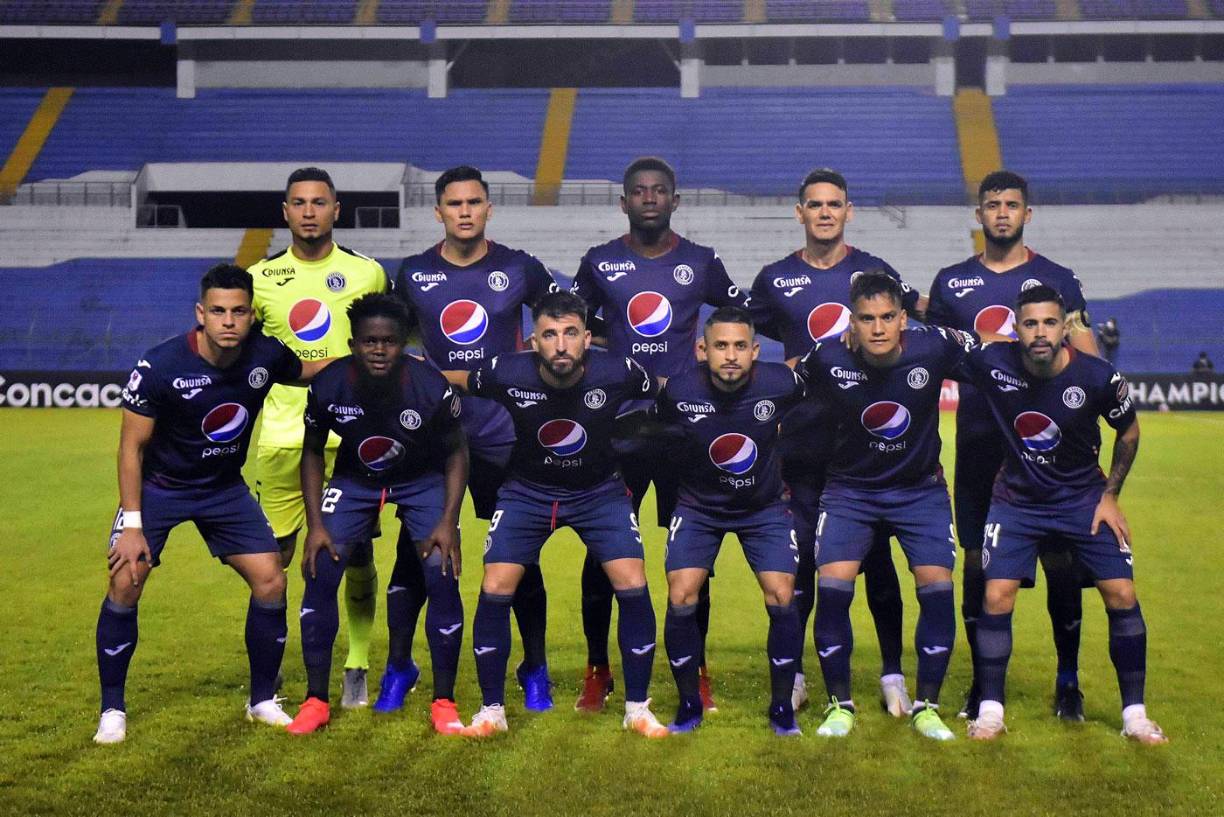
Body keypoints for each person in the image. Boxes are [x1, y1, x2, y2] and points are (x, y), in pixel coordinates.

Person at [94, 264, 326, 744]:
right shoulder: (160, 366)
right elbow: (131, 448)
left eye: (238, 311)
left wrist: (365, 359)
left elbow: (305, 371)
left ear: (251, 314)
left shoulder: (265, 354)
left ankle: (262, 699)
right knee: (125, 579)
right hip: (160, 488)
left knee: (270, 579)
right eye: (217, 311)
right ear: (200, 313)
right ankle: (112, 709)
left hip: (223, 488)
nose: (228, 321)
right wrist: (133, 524)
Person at [443, 291, 668, 738]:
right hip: (527, 492)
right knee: (495, 584)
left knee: (632, 579)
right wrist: (412, 374)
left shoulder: (619, 371)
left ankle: (637, 708)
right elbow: (455, 378)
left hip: (600, 492)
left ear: (587, 338)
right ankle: (492, 712)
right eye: (549, 334)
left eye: (570, 334)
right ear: (533, 341)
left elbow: (664, 390)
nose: (560, 345)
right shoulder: (505, 371)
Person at [570, 156, 751, 712]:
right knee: (604, 552)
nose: (649, 198)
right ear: (624, 203)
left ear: (675, 201)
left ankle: (694, 669)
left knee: (692, 555)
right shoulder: (600, 263)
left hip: (685, 429)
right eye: (639, 191)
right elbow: (574, 327)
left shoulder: (700, 262)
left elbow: (737, 314)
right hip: (618, 428)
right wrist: (607, 356)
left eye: (660, 191)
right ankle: (599, 668)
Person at [926, 170, 1101, 721]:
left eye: (1012, 204)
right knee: (977, 565)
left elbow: (1092, 362)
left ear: (1028, 214)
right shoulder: (952, 284)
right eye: (992, 204)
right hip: (980, 443)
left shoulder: (1058, 279)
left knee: (1062, 562)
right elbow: (929, 360)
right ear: (978, 215)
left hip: (1051, 453)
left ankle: (1067, 680)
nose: (1002, 212)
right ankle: (982, 685)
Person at [749, 168, 923, 716]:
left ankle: (893, 672)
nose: (825, 213)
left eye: (835, 204)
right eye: (815, 205)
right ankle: (797, 672)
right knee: (799, 563)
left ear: (849, 212)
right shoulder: (775, 280)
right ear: (799, 213)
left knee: (877, 563)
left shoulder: (876, 274)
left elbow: (911, 326)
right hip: (800, 444)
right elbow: (754, 344)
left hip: (865, 446)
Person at [959, 286, 1166, 744]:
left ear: (1064, 327)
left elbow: (1128, 431)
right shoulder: (993, 363)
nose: (1039, 332)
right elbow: (939, 345)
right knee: (996, 597)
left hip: (1082, 499)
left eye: (1049, 323)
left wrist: (1110, 495)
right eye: (1030, 323)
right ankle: (991, 711)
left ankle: (1135, 715)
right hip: (1016, 501)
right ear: (1016, 328)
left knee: (1121, 593)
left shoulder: (1097, 377)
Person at [796, 273, 992, 741]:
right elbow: (783, 388)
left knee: (936, 586)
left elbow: (993, 351)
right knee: (834, 587)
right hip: (850, 491)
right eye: (867, 319)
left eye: (887, 317)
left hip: (919, 491)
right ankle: (839, 706)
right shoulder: (827, 356)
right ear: (852, 321)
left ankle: (927, 706)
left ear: (903, 319)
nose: (878, 328)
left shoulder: (936, 347)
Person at [393, 165, 559, 712]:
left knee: (518, 554)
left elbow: (569, 319)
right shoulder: (414, 273)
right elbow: (389, 339)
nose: (464, 212)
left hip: (504, 432)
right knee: (414, 551)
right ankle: (399, 666)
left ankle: (533, 667)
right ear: (438, 212)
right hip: (433, 434)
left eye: (474, 202)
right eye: (454, 204)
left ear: (489, 209)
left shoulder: (520, 268)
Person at [286, 294, 469, 736]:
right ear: (353, 344)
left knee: (440, 572)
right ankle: (315, 700)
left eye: (389, 341)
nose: (379, 350)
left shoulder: (429, 386)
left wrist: (447, 520)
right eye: (369, 341)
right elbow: (312, 451)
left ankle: (444, 700)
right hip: (355, 480)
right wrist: (315, 526)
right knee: (320, 570)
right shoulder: (328, 385)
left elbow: (457, 451)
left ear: (402, 344)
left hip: (421, 479)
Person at [248, 167, 390, 708]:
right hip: (284, 436)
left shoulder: (367, 274)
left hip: (354, 438)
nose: (309, 211)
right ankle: (272, 671)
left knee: (355, 555)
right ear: (285, 212)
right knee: (273, 559)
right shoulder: (258, 281)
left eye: (319, 202)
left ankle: (355, 662)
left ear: (337, 209)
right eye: (298, 203)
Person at [655, 307, 806, 735]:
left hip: (764, 507)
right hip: (699, 507)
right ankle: (688, 706)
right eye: (721, 345)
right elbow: (662, 437)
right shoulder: (679, 391)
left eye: (741, 346)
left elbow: (819, 408)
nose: (731, 355)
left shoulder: (782, 383)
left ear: (755, 351)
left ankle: (781, 709)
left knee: (781, 595)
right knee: (682, 594)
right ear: (702, 350)